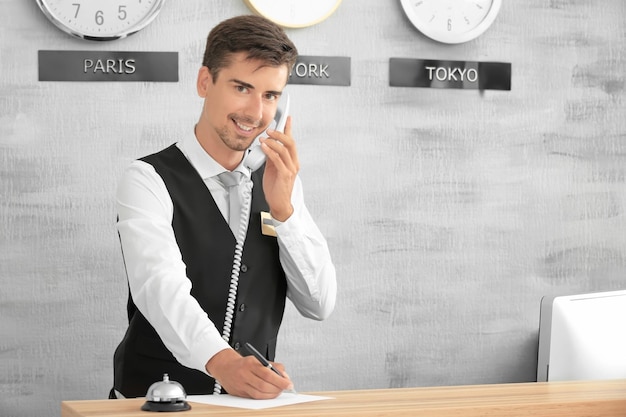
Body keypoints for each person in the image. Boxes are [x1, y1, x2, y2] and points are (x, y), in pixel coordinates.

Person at [111, 14, 337, 400]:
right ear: (205, 82)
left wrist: (285, 214)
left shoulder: (279, 181)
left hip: (244, 406)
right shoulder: (148, 179)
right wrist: (223, 361)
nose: (255, 112)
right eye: (242, 88)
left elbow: (319, 304)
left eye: (270, 95)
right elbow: (160, 288)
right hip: (156, 401)